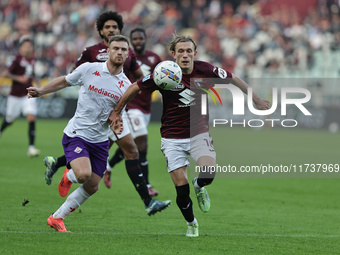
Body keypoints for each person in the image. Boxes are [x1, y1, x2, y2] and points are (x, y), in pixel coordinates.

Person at [108, 35, 270, 237]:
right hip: (171, 139)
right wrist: (117, 111)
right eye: (181, 51)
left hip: (198, 133)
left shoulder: (205, 70)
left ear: (195, 53)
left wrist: (255, 99)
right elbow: (134, 87)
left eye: (189, 51)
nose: (185, 55)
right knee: (181, 192)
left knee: (209, 172)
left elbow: (233, 78)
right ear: (174, 54)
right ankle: (191, 223)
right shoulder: (163, 73)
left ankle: (199, 185)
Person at [27, 35, 171, 233]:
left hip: (100, 140)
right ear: (109, 51)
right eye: (116, 48)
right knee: (84, 174)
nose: (120, 52)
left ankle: (56, 217)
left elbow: (117, 116)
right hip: (77, 133)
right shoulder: (90, 69)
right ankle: (70, 174)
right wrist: (41, 91)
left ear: (128, 54)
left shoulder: (125, 86)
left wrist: (117, 126)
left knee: (93, 185)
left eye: (123, 50)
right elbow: (65, 81)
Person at [43, 11, 158, 204]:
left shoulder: (127, 52)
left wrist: (146, 85)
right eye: (108, 27)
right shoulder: (91, 53)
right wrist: (94, 89)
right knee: (100, 147)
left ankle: (147, 201)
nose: (112, 30)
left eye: (115, 27)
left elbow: (138, 77)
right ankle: (69, 169)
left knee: (131, 148)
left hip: (119, 109)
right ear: (101, 31)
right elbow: (74, 75)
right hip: (95, 111)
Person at [104, 27, 162, 197]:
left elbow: (161, 80)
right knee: (142, 144)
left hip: (146, 108)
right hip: (130, 107)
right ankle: (147, 185)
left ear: (145, 39)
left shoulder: (154, 58)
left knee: (129, 145)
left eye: (140, 38)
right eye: (134, 39)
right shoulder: (125, 58)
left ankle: (107, 166)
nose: (137, 41)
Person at [0, 35, 40, 157]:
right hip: (15, 96)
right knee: (9, 119)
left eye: (30, 46)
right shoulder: (16, 59)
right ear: (21, 48)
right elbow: (5, 73)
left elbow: (30, 74)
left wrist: (36, 81)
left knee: (31, 117)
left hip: (27, 94)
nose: (28, 48)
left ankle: (31, 148)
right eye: (26, 46)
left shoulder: (32, 59)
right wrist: (18, 78)